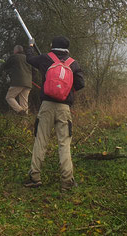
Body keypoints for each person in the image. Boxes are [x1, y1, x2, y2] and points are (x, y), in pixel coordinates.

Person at [23, 36, 85, 191]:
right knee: (64, 144)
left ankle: (35, 177)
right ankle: (67, 182)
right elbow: (81, 83)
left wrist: (30, 45)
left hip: (46, 107)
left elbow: (30, 59)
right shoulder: (74, 63)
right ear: (67, 48)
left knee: (41, 141)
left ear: (53, 46)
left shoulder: (45, 58)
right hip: (64, 108)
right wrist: (67, 90)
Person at [2, 44, 34, 114]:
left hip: (18, 82)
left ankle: (20, 111)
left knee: (9, 97)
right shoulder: (27, 58)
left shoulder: (14, 57)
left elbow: (5, 66)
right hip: (28, 83)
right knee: (24, 103)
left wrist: (3, 63)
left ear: (16, 50)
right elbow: (33, 70)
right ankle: (24, 123)